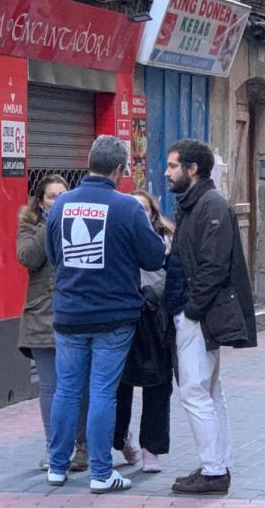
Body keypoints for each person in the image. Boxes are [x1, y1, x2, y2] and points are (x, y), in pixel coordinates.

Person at [44, 135, 166, 493]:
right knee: (102, 392)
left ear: (88, 162)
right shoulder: (127, 207)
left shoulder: (61, 204)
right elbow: (154, 257)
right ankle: (100, 473)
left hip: (68, 314)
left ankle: (56, 466)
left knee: (67, 390)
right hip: (113, 318)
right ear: (118, 169)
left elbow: (54, 256)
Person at [165, 139, 257, 495]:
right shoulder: (195, 204)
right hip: (194, 313)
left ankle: (215, 471)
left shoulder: (211, 206)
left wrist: (190, 311)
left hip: (197, 317)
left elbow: (213, 266)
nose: (167, 172)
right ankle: (216, 464)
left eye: (173, 166)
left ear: (193, 169)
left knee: (194, 391)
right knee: (209, 391)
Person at [16, 175, 89, 473]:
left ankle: (82, 446)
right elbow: (28, 257)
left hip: (76, 313)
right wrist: (51, 222)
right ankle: (54, 446)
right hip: (42, 315)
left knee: (79, 385)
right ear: (40, 201)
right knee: (51, 385)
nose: (57, 201)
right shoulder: (30, 226)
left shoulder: (81, 222)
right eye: (51, 197)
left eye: (63, 196)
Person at [113, 190, 175, 474]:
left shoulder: (166, 239)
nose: (139, 214)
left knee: (158, 385)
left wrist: (153, 295)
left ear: (153, 213)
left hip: (155, 318)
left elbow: (175, 276)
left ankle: (152, 449)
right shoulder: (116, 236)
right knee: (118, 386)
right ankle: (119, 439)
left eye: (145, 209)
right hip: (122, 315)